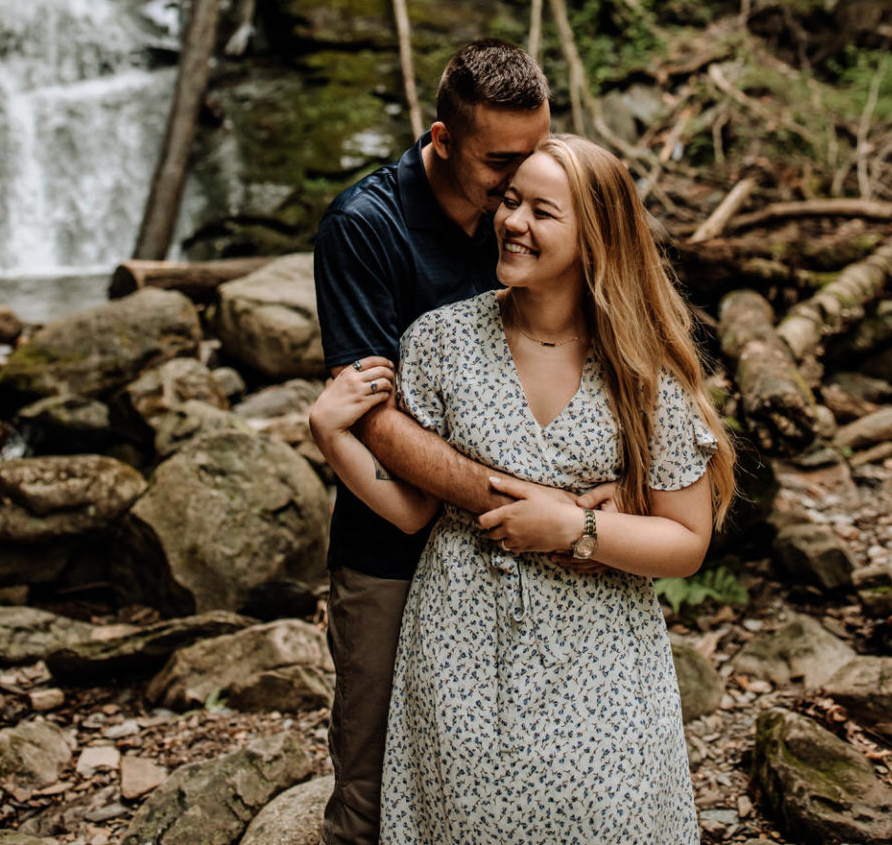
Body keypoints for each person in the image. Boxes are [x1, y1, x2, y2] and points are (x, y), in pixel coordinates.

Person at [311, 133, 735, 845]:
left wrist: (575, 530)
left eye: (542, 211)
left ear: (596, 237)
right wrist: (332, 437)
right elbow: (413, 511)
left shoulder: (642, 368)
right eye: (509, 201)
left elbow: (687, 542)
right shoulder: (440, 341)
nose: (512, 221)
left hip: (603, 654)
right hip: (460, 650)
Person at [312, 41, 613, 845]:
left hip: (532, 567)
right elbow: (373, 416)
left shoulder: (531, 212)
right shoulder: (364, 227)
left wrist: (622, 492)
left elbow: (615, 342)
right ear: (442, 141)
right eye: (501, 165)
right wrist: (540, 508)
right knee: (373, 785)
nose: (519, 190)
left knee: (527, 778)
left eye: (539, 155)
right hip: (393, 552)